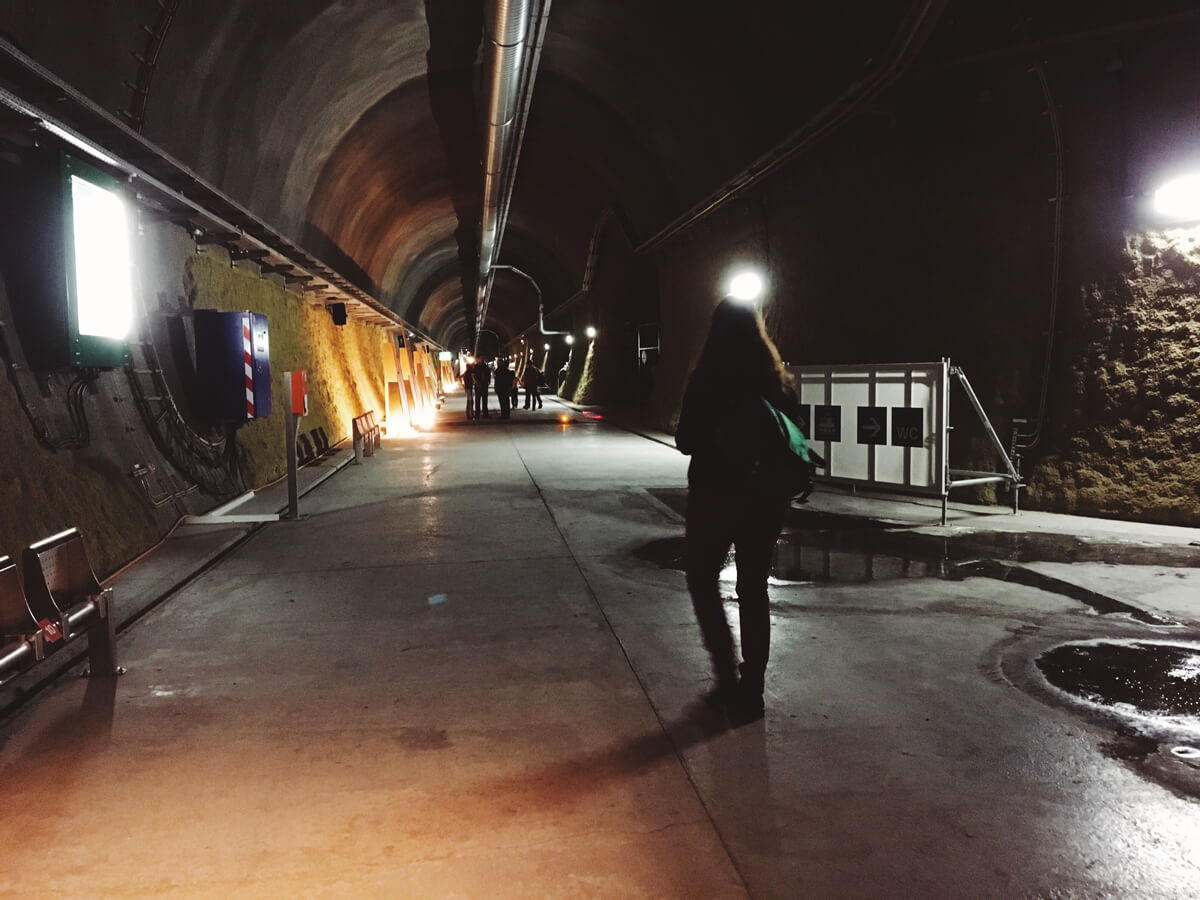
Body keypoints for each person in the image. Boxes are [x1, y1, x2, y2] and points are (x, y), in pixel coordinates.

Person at [674, 297, 801, 723]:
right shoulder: (780, 382)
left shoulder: (707, 380)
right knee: (753, 589)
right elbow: (793, 438)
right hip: (766, 500)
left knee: (703, 580)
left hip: (714, 495)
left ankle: (726, 675)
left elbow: (686, 441)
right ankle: (753, 690)